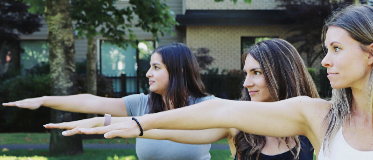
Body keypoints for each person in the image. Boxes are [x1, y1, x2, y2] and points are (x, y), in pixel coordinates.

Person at [49, 5, 373, 160]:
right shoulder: (316, 115)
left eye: (337, 49)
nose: (325, 61)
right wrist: (142, 124)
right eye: (325, 49)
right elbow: (220, 110)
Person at [43, 39, 317, 160]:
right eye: (246, 73)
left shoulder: (312, 121)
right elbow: (177, 129)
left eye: (256, 73)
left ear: (281, 72)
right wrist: (133, 125)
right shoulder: (237, 124)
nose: (246, 82)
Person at [2, 43, 217, 160]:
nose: (148, 73)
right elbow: (89, 102)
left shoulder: (207, 105)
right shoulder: (141, 104)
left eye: (156, 67)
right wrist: (43, 100)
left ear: (179, 70)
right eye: (150, 66)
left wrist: (102, 122)